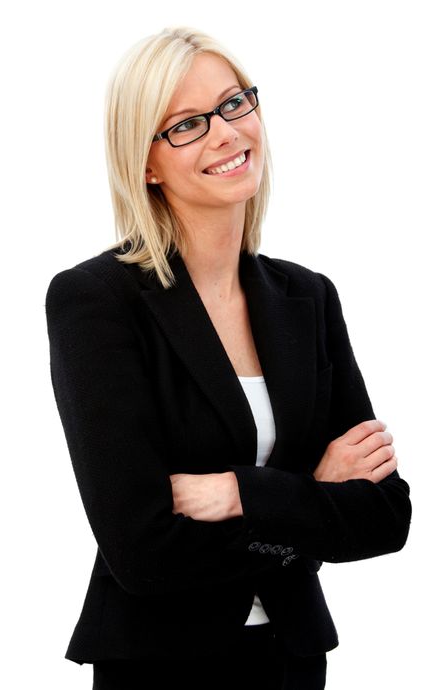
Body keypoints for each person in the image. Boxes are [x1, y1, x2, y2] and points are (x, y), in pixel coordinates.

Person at [45, 26, 412, 690]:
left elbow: (386, 516)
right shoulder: (95, 302)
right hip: (161, 669)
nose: (224, 132)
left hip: (294, 661)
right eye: (186, 123)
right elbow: (142, 552)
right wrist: (313, 497)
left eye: (235, 103)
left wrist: (240, 493)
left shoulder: (308, 296)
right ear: (146, 161)